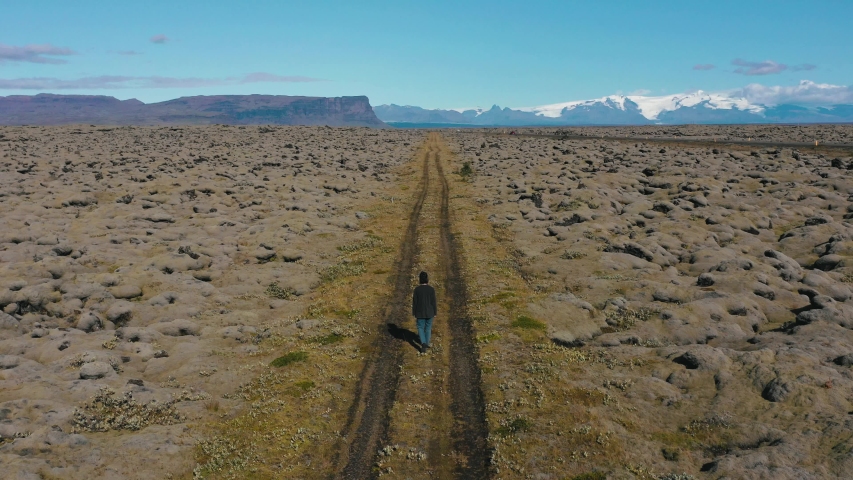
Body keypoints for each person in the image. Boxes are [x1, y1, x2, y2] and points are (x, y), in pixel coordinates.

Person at [412, 271, 437, 352]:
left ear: (420, 279)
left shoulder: (417, 290)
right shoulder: (431, 289)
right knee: (428, 328)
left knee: (420, 327)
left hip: (419, 312)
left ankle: (423, 343)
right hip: (430, 312)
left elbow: (415, 302)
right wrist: (435, 312)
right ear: (427, 279)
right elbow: (433, 302)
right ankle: (426, 343)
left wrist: (414, 312)